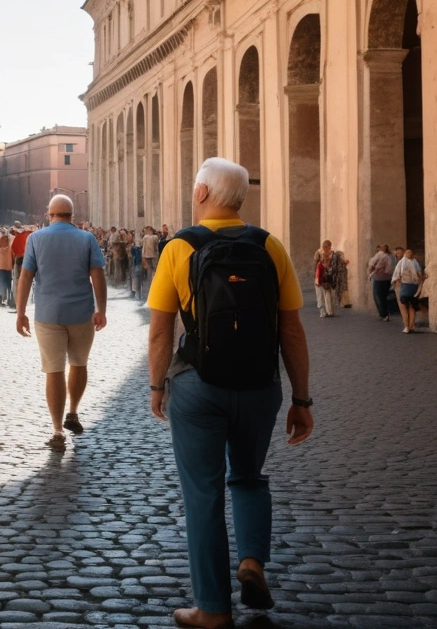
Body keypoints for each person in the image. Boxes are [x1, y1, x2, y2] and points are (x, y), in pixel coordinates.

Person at [147, 158, 313, 629]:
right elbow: (292, 330)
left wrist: (157, 386)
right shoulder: (269, 246)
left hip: (198, 385)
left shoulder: (179, 247)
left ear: (201, 193)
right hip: (260, 384)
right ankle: (252, 562)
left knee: (203, 493)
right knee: (249, 476)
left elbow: (160, 330)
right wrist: (301, 399)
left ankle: (213, 609)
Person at [15, 195, 107, 452]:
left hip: (48, 314)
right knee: (79, 363)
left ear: (49, 214)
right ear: (72, 215)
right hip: (81, 313)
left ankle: (57, 429)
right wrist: (101, 310)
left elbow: (26, 276)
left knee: (53, 370)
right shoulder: (87, 239)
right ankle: (73, 412)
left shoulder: (36, 238)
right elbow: (98, 276)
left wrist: (20, 312)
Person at [392, 247, 425, 334]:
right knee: (405, 306)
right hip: (404, 286)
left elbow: (419, 274)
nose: (397, 254)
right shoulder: (403, 263)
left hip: (410, 287)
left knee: (411, 306)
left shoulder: (413, 262)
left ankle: (410, 325)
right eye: (396, 253)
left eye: (399, 252)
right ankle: (407, 326)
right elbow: (397, 275)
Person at [312, 240, 341, 318]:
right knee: (320, 296)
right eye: (324, 246)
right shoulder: (319, 253)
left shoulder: (333, 254)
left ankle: (330, 311)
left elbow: (336, 266)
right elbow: (315, 265)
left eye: (326, 247)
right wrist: (316, 278)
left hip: (330, 278)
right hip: (320, 279)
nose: (325, 248)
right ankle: (323, 312)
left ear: (329, 247)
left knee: (330, 296)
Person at [367, 244, 395, 321]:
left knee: (379, 296)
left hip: (379, 278)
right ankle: (385, 313)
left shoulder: (381, 255)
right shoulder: (391, 257)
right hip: (388, 278)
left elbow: (372, 265)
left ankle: (384, 314)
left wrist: (372, 270)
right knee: (384, 296)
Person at [0, 231, 13, 308]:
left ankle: (0, 300)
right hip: (8, 267)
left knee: (0, 284)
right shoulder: (10, 248)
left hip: (0, 267)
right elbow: (13, 256)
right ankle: (9, 299)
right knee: (8, 284)